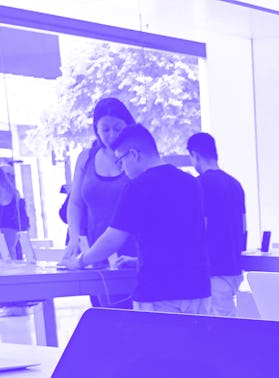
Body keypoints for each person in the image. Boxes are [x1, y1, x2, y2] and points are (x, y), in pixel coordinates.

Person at [65, 124, 211, 314]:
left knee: (158, 345)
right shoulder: (191, 182)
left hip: (159, 292)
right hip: (198, 289)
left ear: (134, 154)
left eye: (121, 161)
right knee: (194, 344)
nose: (122, 169)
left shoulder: (137, 187)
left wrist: (81, 261)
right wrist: (138, 260)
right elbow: (186, 236)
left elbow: (112, 240)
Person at [63, 97, 136, 266]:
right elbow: (75, 204)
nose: (112, 135)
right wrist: (74, 237)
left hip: (132, 251)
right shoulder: (86, 158)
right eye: (105, 129)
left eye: (118, 128)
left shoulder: (135, 157)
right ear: (97, 130)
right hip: (95, 250)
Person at [187, 131, 246, 317]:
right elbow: (243, 227)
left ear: (194, 154)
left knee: (219, 328)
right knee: (229, 318)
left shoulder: (198, 185)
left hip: (212, 268)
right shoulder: (235, 184)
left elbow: (197, 230)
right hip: (234, 266)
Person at [0, 161, 29, 259]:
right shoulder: (14, 192)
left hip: (6, 227)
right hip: (13, 227)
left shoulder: (7, 191)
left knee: (8, 255)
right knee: (11, 253)